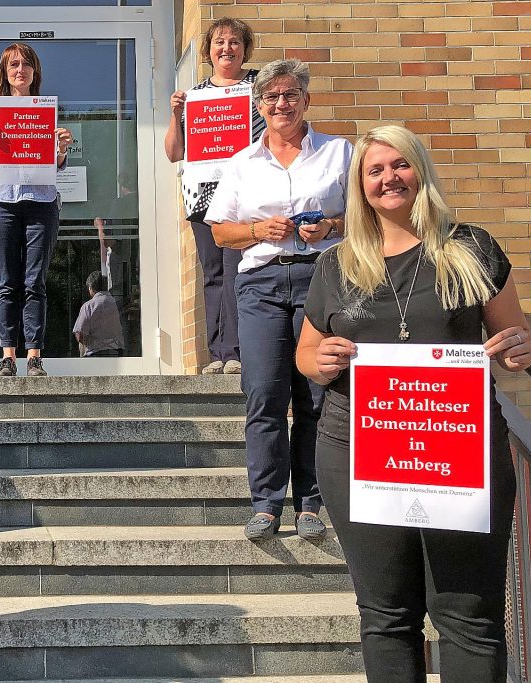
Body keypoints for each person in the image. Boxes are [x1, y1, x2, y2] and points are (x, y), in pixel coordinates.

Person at [297, 125, 531, 682]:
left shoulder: (471, 248)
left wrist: (520, 349)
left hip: (457, 452)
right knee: (385, 616)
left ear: (420, 170)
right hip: (357, 451)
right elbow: (307, 354)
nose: (389, 178)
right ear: (360, 186)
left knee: (469, 617)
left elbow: (513, 340)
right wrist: (321, 360)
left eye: (399, 164)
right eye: (375, 170)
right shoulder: (336, 264)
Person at [206, 58, 351, 541]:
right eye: (271, 97)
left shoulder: (338, 152)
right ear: (259, 104)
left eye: (290, 94)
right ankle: (266, 503)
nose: (281, 104)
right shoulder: (242, 163)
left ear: (306, 100)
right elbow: (220, 232)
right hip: (261, 283)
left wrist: (329, 226)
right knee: (265, 393)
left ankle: (311, 503)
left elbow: (367, 220)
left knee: (315, 394)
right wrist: (257, 229)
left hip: (321, 280)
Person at [164, 17, 266, 376]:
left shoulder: (259, 88)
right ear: (208, 51)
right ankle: (218, 353)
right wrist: (176, 114)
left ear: (245, 49)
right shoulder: (196, 95)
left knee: (236, 270)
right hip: (204, 196)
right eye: (220, 42)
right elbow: (174, 152)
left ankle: (237, 350)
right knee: (212, 274)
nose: (227, 48)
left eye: (234, 42)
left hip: (245, 194)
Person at [0, 42, 73, 377]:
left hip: (41, 202)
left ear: (35, 71)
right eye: (13, 65)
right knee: (7, 281)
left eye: (26, 64)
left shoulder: (46, 110)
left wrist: (61, 150)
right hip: (1, 202)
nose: (20, 70)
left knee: (35, 281)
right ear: (5, 72)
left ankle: (34, 355)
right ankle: (7, 356)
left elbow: (57, 165)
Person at [73, 271, 125, 357]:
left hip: (95, 354)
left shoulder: (88, 306)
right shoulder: (116, 303)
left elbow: (80, 335)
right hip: (117, 353)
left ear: (91, 288)